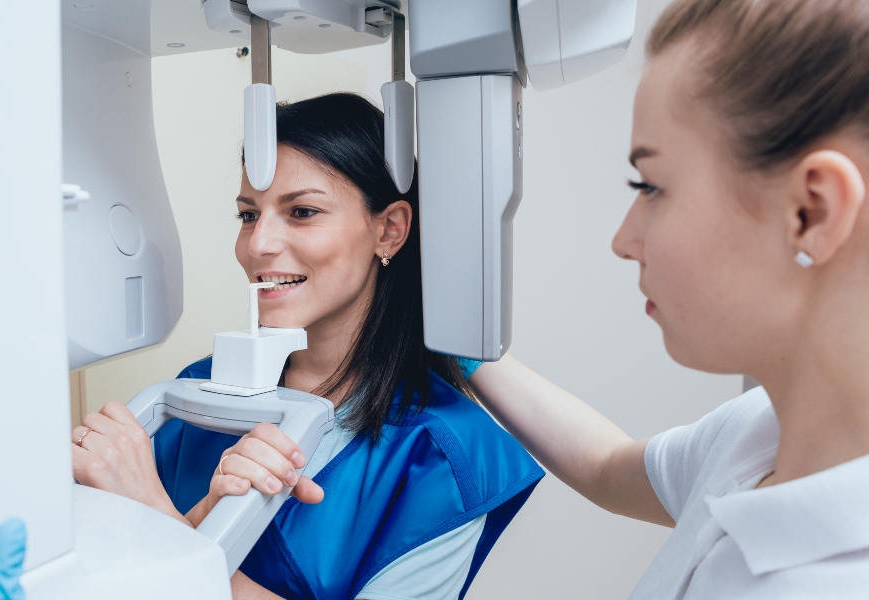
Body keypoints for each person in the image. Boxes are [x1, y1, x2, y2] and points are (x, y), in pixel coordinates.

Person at [465, 0, 869, 597]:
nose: (623, 240)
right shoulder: (762, 432)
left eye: (651, 185)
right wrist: (465, 350)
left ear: (812, 211)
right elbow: (606, 465)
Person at [71, 94, 543, 599]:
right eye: (248, 216)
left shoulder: (443, 455)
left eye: (301, 211)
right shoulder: (193, 397)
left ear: (390, 229)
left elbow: (157, 554)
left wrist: (154, 518)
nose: (258, 246)